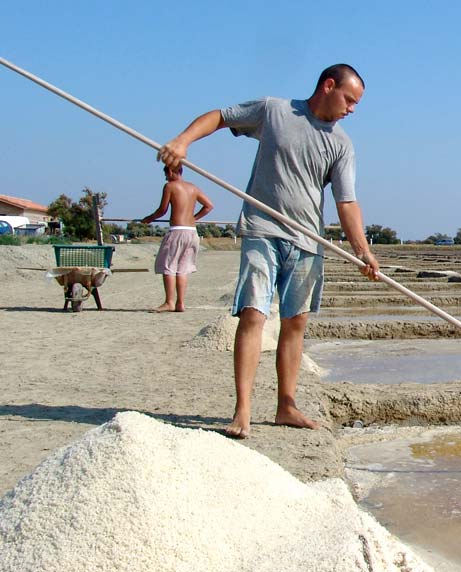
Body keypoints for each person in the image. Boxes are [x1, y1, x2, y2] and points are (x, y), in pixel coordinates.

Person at [157, 64, 380, 439]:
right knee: (253, 315)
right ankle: (242, 410)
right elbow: (220, 117)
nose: (352, 109)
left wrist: (362, 250)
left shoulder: (341, 143)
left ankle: (286, 406)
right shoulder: (274, 111)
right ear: (329, 86)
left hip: (309, 241)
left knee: (295, 324)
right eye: (349, 99)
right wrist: (182, 142)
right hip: (263, 229)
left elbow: (347, 203)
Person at [142, 164, 213, 312]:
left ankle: (169, 302)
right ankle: (180, 303)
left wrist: (149, 218)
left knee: (168, 266)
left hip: (177, 231)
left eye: (166, 173)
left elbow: (162, 210)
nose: (165, 177)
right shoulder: (193, 187)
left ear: (173, 171)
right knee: (182, 268)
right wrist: (194, 218)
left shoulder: (170, 186)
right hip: (192, 232)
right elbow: (208, 205)